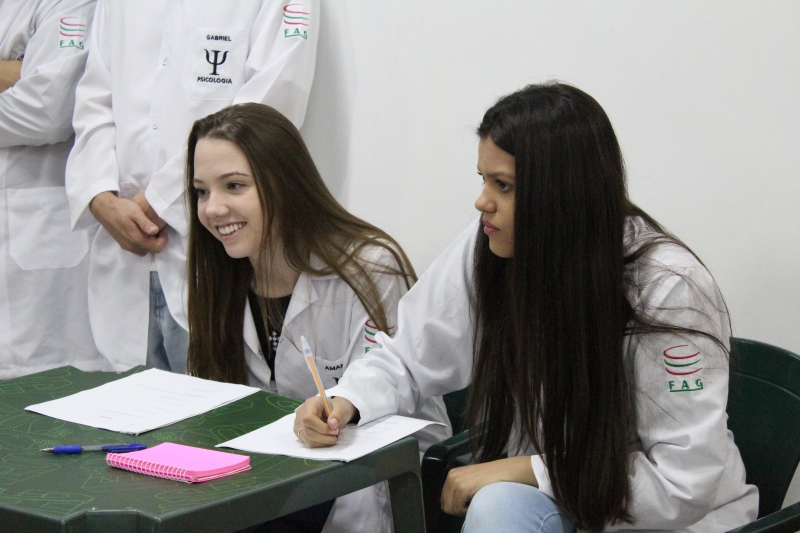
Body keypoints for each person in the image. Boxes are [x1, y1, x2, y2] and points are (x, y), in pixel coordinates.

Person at [294, 82, 760, 532]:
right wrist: (345, 402)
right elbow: (409, 356)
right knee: (500, 503)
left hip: (663, 520)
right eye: (483, 179)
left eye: (504, 185)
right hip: (566, 502)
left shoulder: (668, 288)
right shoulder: (492, 244)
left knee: (500, 497)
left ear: (562, 192)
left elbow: (683, 484)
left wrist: (530, 470)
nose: (482, 202)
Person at [185, 103, 451, 533]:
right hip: (270, 484)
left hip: (371, 483)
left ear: (285, 184)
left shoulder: (369, 270)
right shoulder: (217, 277)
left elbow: (388, 394)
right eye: (201, 191)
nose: (213, 208)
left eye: (234, 186)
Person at [65, 0, 319, 374]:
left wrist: (162, 198)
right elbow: (94, 99)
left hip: (212, 253)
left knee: (217, 399)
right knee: (128, 401)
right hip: (122, 253)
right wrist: (99, 197)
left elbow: (270, 105)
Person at [0, 0, 102, 380]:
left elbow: (47, 109)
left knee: (44, 393)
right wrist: (16, 71)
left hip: (37, 259)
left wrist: (29, 78)